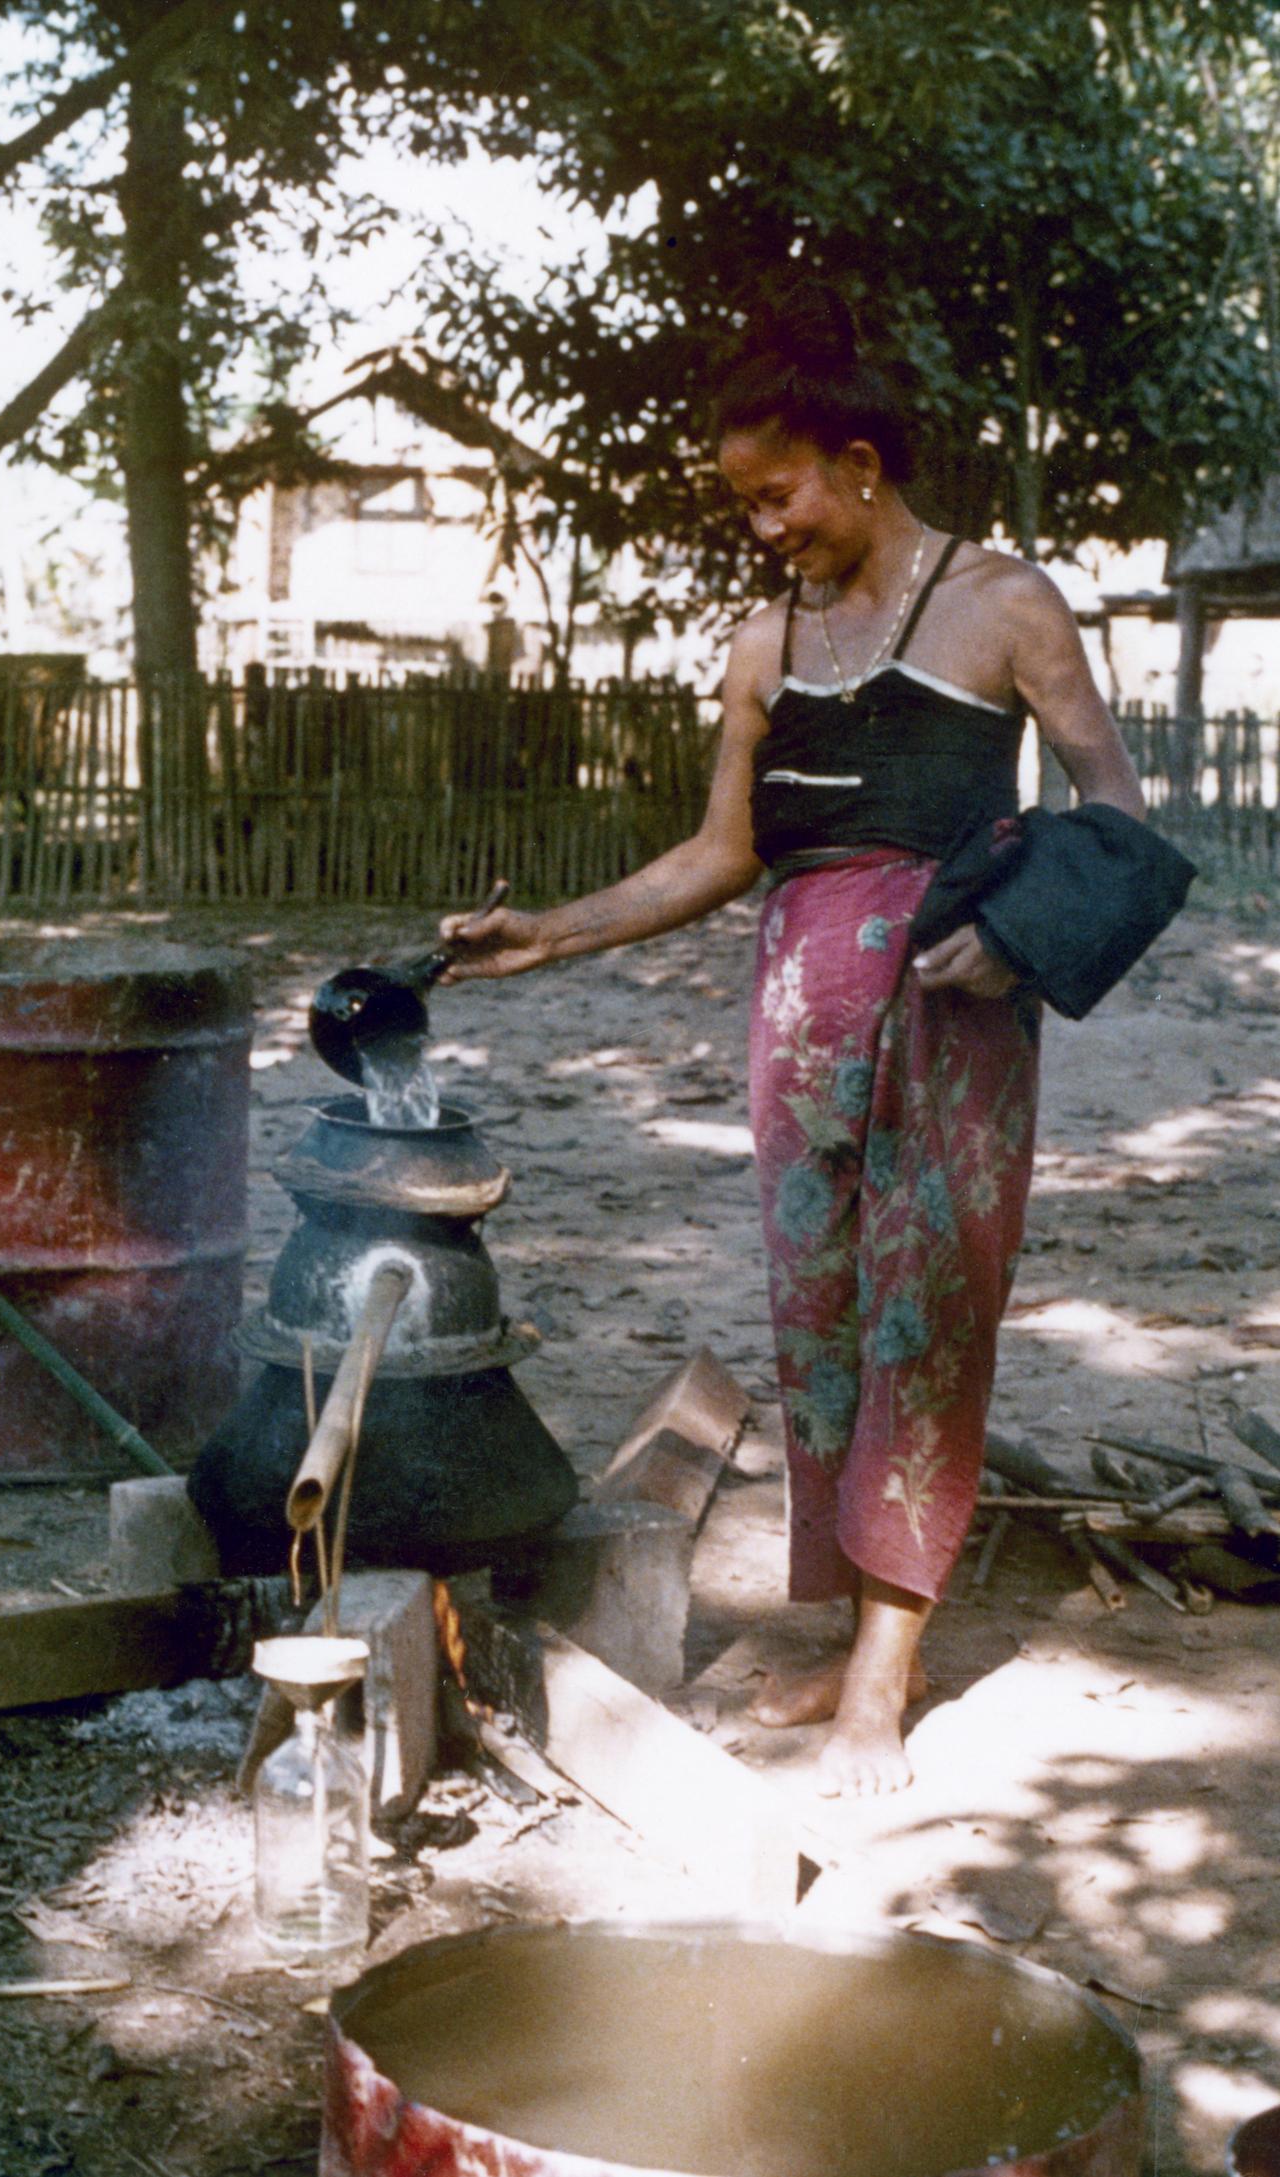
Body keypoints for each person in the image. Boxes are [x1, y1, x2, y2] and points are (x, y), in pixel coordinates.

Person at [438, 285, 1145, 1799]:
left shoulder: (1005, 602)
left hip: (954, 1013)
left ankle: (883, 1681)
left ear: (860, 464)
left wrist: (1017, 940)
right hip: (799, 1023)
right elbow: (723, 853)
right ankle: (862, 1636)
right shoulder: (763, 643)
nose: (764, 528)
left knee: (926, 1316)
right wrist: (549, 933)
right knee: (820, 1320)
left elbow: (1116, 809)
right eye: (744, 504)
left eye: (778, 495)